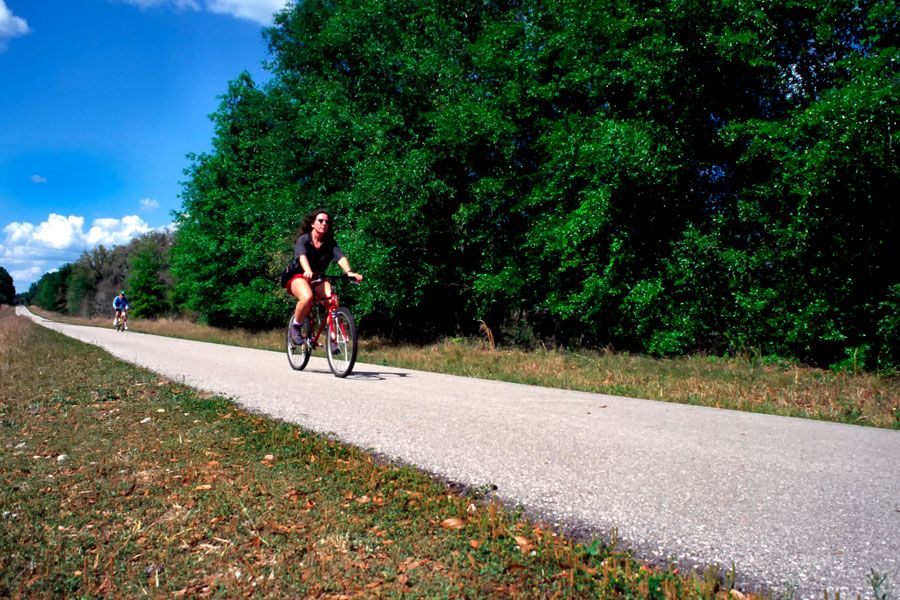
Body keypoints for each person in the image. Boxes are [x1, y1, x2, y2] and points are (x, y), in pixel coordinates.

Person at [286, 209, 362, 339]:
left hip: (318, 277)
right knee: (307, 297)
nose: (324, 224)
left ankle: (332, 338)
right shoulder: (303, 240)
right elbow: (301, 256)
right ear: (312, 224)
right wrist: (307, 270)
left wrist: (349, 272)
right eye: (320, 221)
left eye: (327, 222)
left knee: (333, 304)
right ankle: (296, 327)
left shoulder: (329, 243)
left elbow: (340, 258)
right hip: (299, 275)